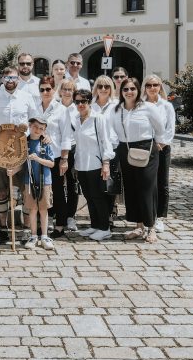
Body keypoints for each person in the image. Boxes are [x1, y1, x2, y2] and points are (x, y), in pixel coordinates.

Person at [0, 66, 38, 244]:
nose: (10, 81)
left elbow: (36, 122)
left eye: (13, 78)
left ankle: (26, 230)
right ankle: (3, 228)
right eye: (7, 78)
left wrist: (34, 136)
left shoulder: (26, 98)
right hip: (1, 151)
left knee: (26, 191)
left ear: (18, 79)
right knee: (2, 191)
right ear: (2, 79)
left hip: (23, 149)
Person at [109, 77, 165, 244]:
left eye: (132, 89)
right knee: (131, 189)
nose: (129, 92)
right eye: (126, 89)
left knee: (147, 189)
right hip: (125, 150)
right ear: (121, 92)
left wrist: (159, 143)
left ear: (138, 90)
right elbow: (112, 130)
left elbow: (160, 128)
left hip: (146, 150)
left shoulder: (147, 107)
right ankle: (139, 226)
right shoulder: (117, 110)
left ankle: (151, 227)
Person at [71, 88, 117, 241]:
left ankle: (105, 228)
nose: (80, 104)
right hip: (81, 165)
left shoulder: (98, 119)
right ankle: (95, 225)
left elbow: (106, 141)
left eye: (83, 101)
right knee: (89, 197)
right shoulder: (76, 120)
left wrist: (106, 163)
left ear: (89, 101)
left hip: (96, 164)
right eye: (77, 101)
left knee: (98, 197)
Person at [34, 76, 70, 237]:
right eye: (42, 89)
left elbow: (67, 136)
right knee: (40, 191)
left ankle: (60, 225)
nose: (45, 92)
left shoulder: (61, 109)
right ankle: (42, 226)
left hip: (54, 156)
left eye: (48, 89)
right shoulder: (35, 108)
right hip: (37, 155)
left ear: (54, 90)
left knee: (57, 190)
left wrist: (64, 158)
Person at [142, 75, 176, 233]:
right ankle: (148, 214)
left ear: (160, 87)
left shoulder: (166, 106)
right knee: (149, 183)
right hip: (145, 147)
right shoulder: (140, 105)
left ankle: (160, 217)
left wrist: (161, 144)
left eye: (155, 85)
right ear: (145, 87)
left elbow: (170, 128)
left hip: (162, 148)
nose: (152, 88)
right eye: (149, 85)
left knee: (162, 182)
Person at [51, 78, 81, 237]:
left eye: (70, 89)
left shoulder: (78, 108)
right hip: (59, 149)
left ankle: (70, 216)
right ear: (60, 90)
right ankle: (57, 213)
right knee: (57, 183)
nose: (67, 92)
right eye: (65, 89)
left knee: (72, 182)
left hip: (74, 148)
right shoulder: (55, 107)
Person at [21, 115, 55, 249]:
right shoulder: (24, 142)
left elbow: (52, 163)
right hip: (28, 181)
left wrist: (38, 159)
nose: (37, 130)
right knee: (33, 208)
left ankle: (45, 236)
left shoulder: (45, 143)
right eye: (35, 126)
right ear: (29, 126)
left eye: (41, 128)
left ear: (44, 130)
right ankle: (33, 235)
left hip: (44, 181)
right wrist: (13, 170)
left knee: (43, 208)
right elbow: (19, 161)